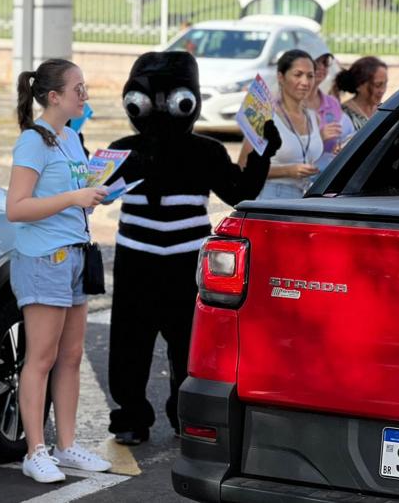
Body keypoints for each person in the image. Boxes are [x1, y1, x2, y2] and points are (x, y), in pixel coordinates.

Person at [106, 51, 280, 445]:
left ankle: (183, 415)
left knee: (187, 344)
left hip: (185, 260)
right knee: (130, 343)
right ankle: (132, 415)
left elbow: (240, 192)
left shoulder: (206, 151)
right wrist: (81, 161)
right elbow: (95, 192)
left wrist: (262, 153)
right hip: (136, 259)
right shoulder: (123, 149)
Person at [6, 58, 112, 483]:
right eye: (78, 89)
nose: (84, 96)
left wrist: (93, 194)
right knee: (42, 357)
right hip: (43, 258)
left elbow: (72, 194)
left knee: (69, 357)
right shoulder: (33, 141)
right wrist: (74, 197)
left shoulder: (71, 137)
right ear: (54, 97)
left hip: (74, 255)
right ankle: (35, 450)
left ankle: (66, 447)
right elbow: (17, 208)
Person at [240, 49, 322, 200]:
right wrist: (287, 171)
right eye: (298, 75)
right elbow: (243, 166)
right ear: (281, 77)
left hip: (303, 199)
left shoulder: (313, 117)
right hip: (270, 197)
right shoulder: (265, 115)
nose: (305, 82)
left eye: (310, 76)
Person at [307, 52, 354, 171]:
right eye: (316, 62)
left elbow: (341, 138)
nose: (321, 67)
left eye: (325, 63)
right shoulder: (289, 104)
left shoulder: (332, 102)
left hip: (327, 177)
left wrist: (341, 146)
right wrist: (319, 137)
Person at [337, 56, 388, 132]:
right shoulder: (342, 115)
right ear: (359, 85)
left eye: (385, 84)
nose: (382, 90)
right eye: (377, 85)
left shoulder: (384, 110)